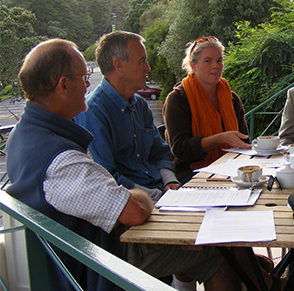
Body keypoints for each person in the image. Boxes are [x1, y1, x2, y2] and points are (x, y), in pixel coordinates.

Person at [5, 39, 237, 291]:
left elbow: (158, 153)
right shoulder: (61, 161)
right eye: (84, 78)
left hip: (90, 246)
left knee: (204, 239)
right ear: (63, 85)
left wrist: (167, 184)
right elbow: (132, 210)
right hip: (100, 260)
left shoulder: (24, 133)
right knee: (215, 254)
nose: (86, 85)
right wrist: (146, 196)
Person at [75, 31, 178, 203]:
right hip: (136, 207)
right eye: (141, 61)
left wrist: (171, 182)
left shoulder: (140, 105)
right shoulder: (93, 111)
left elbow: (159, 152)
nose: (148, 68)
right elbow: (107, 178)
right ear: (119, 65)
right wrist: (158, 197)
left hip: (163, 194)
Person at [162, 36, 251, 183]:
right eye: (208, 61)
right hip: (191, 173)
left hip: (231, 169)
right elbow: (179, 149)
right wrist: (220, 139)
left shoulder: (232, 98)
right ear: (193, 65)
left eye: (219, 60)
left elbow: (244, 140)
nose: (215, 66)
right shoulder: (178, 99)